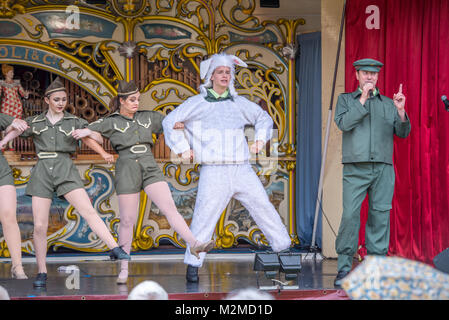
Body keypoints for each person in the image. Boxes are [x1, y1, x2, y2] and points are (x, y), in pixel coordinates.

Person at [162, 53, 292, 283]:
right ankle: (193, 265)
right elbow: (169, 121)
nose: (225, 75)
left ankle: (283, 249)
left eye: (228, 72)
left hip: (241, 167)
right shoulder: (197, 103)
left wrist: (260, 141)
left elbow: (263, 118)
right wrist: (183, 148)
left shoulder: (239, 103)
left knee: (263, 206)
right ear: (211, 75)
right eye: (220, 71)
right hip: (214, 170)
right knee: (204, 216)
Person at [72, 80, 214, 285]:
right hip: (126, 167)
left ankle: (194, 244)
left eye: (137, 99)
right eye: (132, 100)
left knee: (170, 209)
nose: (136, 103)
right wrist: (99, 147)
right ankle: (124, 267)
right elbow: (89, 134)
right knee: (127, 220)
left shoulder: (149, 117)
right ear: (121, 100)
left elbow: (173, 122)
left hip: (149, 165)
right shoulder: (110, 121)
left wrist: (183, 125)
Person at [0, 77, 131, 288]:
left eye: (63, 99)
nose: (61, 103)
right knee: (40, 226)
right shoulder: (36, 121)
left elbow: (95, 138)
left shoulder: (74, 121)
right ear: (47, 100)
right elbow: (16, 129)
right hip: (42, 171)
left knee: (87, 210)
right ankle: (41, 271)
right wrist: (5, 141)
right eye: (57, 99)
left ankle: (114, 248)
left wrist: (90, 134)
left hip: (65, 169)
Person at [333, 58, 411, 288]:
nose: (370, 77)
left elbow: (403, 133)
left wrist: (401, 111)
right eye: (365, 73)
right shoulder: (345, 100)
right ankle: (345, 267)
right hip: (355, 168)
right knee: (350, 216)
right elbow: (344, 124)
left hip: (383, 168)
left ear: (378, 77)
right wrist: (363, 99)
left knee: (379, 217)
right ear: (357, 75)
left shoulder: (389, 103)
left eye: (373, 74)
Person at [0, 113, 29, 279]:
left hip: (1, 171)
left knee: (9, 216)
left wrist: (10, 130)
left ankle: (18, 267)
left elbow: (19, 125)